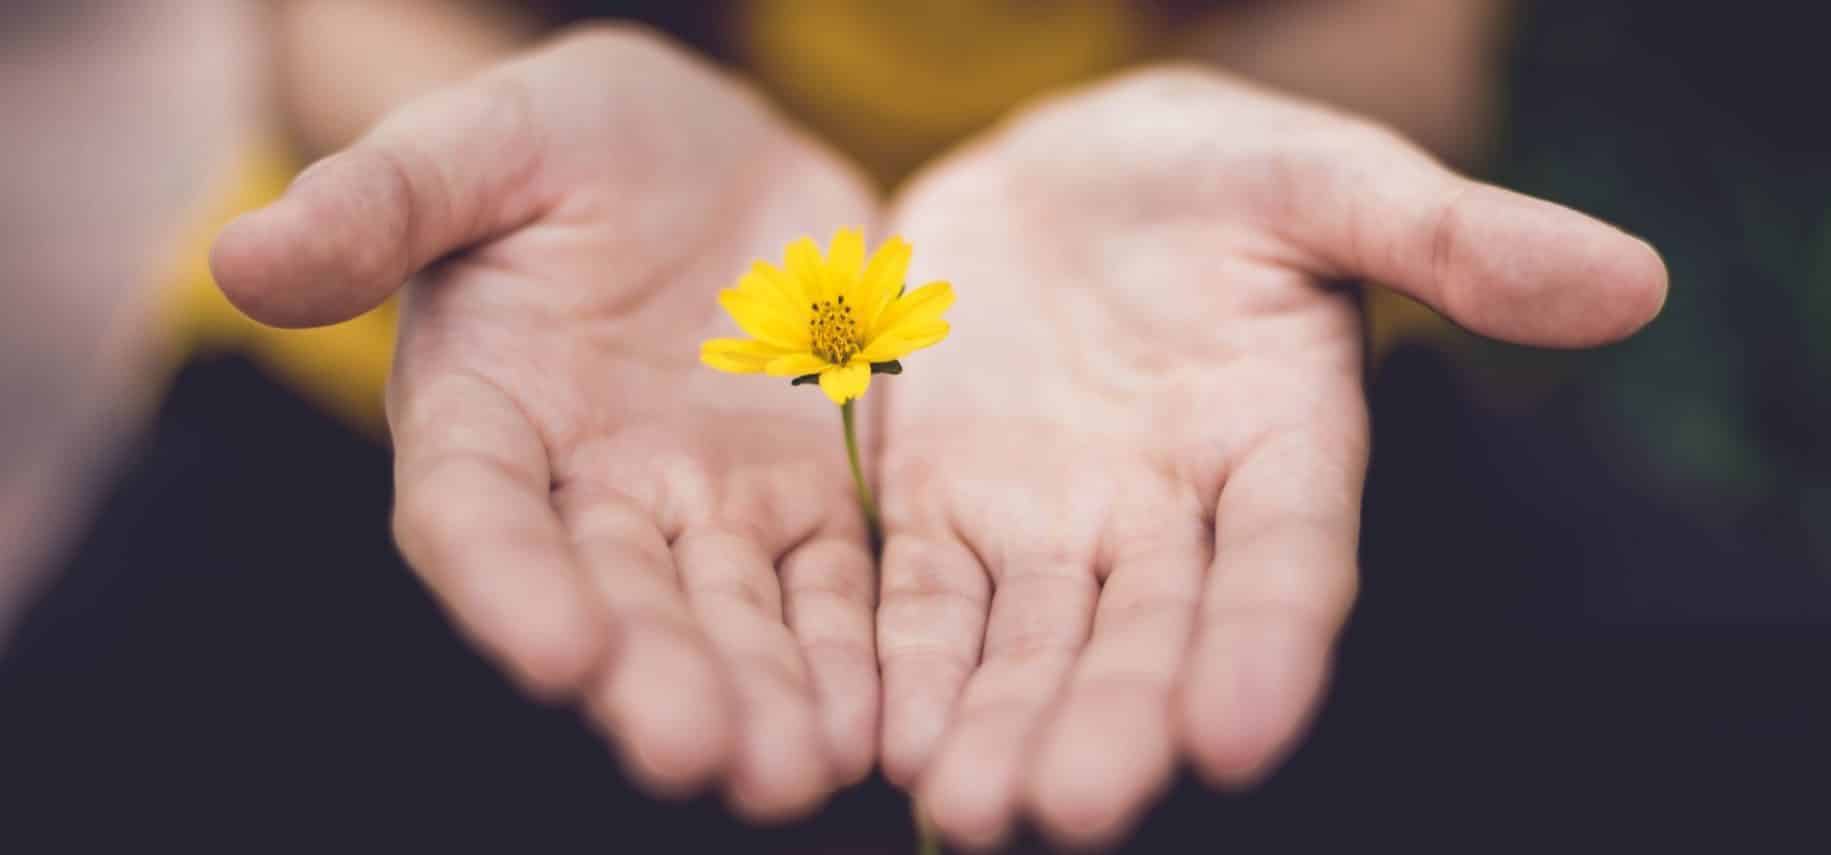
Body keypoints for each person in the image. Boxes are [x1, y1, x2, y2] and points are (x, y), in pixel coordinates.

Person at [201, 5, 1666, 851]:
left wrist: (1244, 136)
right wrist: (471, 143)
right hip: (521, 361)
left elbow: (1389, 32)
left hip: (1197, 375)